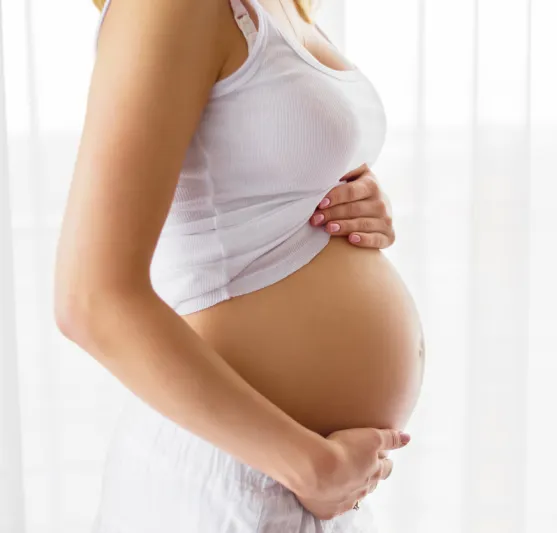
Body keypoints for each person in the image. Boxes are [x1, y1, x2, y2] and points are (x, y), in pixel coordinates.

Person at [53, 0, 425, 530]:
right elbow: (90, 301)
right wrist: (312, 466)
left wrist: (359, 199)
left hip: (297, 476)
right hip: (238, 474)